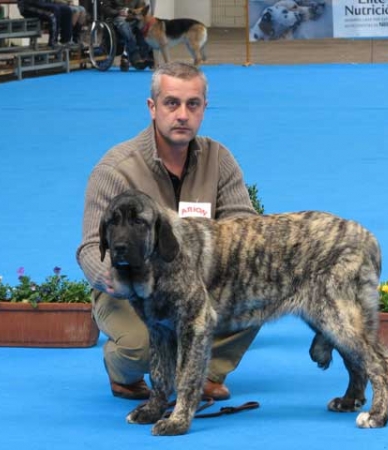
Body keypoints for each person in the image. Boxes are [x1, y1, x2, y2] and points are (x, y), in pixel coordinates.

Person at [76, 62, 260, 401]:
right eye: (171, 103)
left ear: (204, 108)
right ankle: (122, 373)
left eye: (193, 104)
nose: (182, 115)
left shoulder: (219, 159)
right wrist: (110, 279)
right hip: (131, 286)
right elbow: (89, 246)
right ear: (152, 107)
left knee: (256, 297)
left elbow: (244, 228)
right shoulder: (115, 170)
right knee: (142, 347)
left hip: (196, 286)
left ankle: (203, 372)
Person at [100, 0, 152, 70]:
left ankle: (145, 55)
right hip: (116, 18)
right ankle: (135, 56)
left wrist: (136, 13)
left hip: (133, 18)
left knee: (142, 25)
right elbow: (105, 8)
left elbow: (141, 10)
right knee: (123, 24)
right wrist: (118, 12)